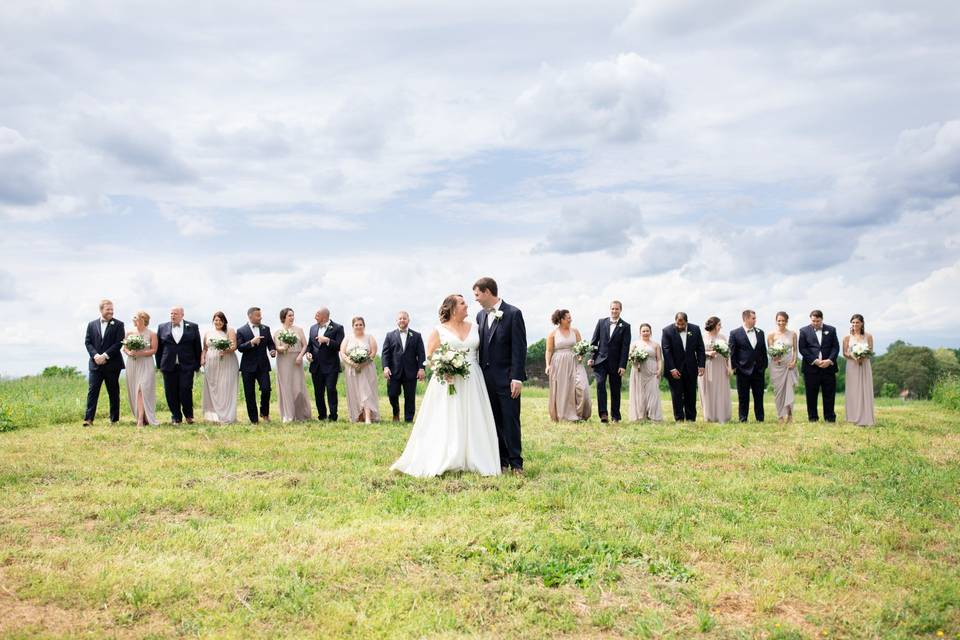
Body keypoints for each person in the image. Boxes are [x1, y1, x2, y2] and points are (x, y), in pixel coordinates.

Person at [391, 294, 501, 477]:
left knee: (473, 416)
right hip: (447, 380)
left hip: (472, 378)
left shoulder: (476, 327)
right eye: (463, 303)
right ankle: (448, 455)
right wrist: (443, 368)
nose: (467, 306)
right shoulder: (438, 330)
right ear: (452, 308)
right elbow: (430, 358)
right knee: (448, 416)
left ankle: (475, 456)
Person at [474, 277, 527, 474]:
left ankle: (516, 463)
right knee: (494, 420)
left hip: (507, 378)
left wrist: (517, 377)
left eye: (477, 295)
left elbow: (519, 348)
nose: (476, 299)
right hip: (485, 379)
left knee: (510, 420)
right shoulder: (480, 316)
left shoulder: (513, 313)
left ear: (488, 292)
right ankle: (501, 461)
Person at [155, 306, 203, 425]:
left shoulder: (193, 327)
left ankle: (189, 415)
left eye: (175, 313)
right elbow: (159, 349)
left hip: (187, 365)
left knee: (186, 389)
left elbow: (197, 346)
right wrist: (159, 365)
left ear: (182, 315)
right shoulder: (162, 327)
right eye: (171, 313)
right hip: (168, 365)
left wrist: (197, 365)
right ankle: (176, 416)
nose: (173, 315)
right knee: (170, 392)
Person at [83, 299, 125, 426]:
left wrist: (105, 356)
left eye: (112, 309)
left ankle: (114, 419)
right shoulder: (91, 324)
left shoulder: (119, 324)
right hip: (95, 364)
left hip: (112, 364)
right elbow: (88, 342)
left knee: (113, 392)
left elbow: (119, 343)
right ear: (101, 310)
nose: (111, 311)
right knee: (92, 391)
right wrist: (96, 355)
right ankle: (89, 419)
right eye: (108, 309)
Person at [588, 301, 631, 423]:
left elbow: (625, 347)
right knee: (600, 384)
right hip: (600, 361)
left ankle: (615, 416)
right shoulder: (602, 322)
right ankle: (603, 414)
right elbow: (594, 342)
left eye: (617, 309)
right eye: (612, 309)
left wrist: (623, 365)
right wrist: (592, 357)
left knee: (615, 389)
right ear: (610, 309)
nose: (614, 311)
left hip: (616, 363)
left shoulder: (626, 326)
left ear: (620, 310)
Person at [545, 309, 591, 422]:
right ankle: (565, 416)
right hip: (559, 363)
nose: (571, 319)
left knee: (582, 387)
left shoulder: (575, 331)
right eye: (568, 318)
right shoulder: (553, 334)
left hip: (575, 362)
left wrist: (581, 355)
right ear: (561, 320)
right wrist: (547, 365)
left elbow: (581, 346)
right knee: (563, 390)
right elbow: (549, 351)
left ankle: (580, 414)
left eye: (570, 317)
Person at [661, 312, 706, 422]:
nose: (680, 327)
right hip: (674, 369)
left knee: (690, 394)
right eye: (678, 324)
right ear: (675, 321)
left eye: (682, 324)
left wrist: (701, 365)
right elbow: (666, 351)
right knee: (676, 395)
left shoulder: (695, 329)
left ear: (686, 322)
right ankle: (679, 418)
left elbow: (700, 348)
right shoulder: (667, 331)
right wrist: (672, 368)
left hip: (691, 367)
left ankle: (691, 418)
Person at [382, 311, 426, 422]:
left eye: (404, 318)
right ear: (396, 321)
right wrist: (385, 367)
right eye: (400, 318)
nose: (402, 320)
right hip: (394, 371)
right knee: (392, 394)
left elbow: (421, 354)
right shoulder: (390, 335)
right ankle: (396, 413)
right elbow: (385, 354)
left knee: (410, 397)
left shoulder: (416, 335)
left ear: (408, 320)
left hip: (411, 371)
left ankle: (408, 418)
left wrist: (421, 368)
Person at [236, 307, 277, 424]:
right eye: (258, 315)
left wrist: (272, 351)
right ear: (250, 316)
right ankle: (254, 419)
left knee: (266, 389)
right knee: (249, 394)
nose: (260, 317)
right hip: (247, 367)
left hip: (263, 366)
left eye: (260, 315)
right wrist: (251, 343)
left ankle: (264, 413)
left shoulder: (265, 328)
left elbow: (270, 343)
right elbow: (240, 348)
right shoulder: (241, 330)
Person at [797, 309, 840, 423]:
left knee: (829, 394)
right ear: (811, 319)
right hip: (811, 368)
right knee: (811, 395)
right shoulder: (804, 331)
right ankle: (813, 418)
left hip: (828, 368)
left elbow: (835, 347)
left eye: (817, 321)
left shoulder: (831, 330)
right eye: (813, 321)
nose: (815, 323)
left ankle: (830, 418)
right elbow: (802, 348)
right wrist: (814, 360)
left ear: (822, 319)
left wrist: (830, 360)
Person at [728, 309, 768, 423]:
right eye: (753, 318)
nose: (755, 320)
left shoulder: (761, 332)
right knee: (743, 397)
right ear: (746, 319)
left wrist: (764, 366)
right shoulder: (734, 333)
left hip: (758, 370)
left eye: (755, 318)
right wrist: (735, 368)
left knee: (759, 396)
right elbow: (732, 352)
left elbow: (763, 351)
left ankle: (760, 419)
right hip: (742, 370)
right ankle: (743, 418)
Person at [305, 308, 344, 422]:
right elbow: (310, 345)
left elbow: (339, 346)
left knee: (331, 390)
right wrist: (308, 354)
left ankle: (333, 416)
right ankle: (322, 416)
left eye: (317, 314)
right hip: (316, 366)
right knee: (318, 392)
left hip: (331, 365)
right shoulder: (312, 328)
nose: (315, 316)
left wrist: (327, 340)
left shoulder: (338, 328)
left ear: (324, 316)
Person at [200, 311, 239, 423]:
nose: (218, 322)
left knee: (225, 387)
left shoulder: (229, 331)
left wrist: (225, 350)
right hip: (211, 364)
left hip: (227, 362)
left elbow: (233, 346)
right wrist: (202, 358)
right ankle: (214, 416)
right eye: (216, 320)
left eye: (220, 320)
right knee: (214, 389)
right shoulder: (208, 333)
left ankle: (227, 416)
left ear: (224, 321)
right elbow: (205, 349)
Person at [275, 307, 312, 422]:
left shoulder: (299, 330)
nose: (292, 317)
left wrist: (300, 356)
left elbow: (305, 345)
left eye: (292, 315)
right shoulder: (278, 332)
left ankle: (301, 414)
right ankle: (288, 414)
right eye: (289, 315)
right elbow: (277, 347)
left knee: (298, 387)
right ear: (284, 317)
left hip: (297, 360)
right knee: (286, 386)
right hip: (283, 360)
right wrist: (283, 347)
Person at [340, 316, 380, 423]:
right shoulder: (348, 338)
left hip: (366, 369)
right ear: (353, 326)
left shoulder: (369, 337)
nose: (358, 327)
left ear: (364, 326)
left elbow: (373, 352)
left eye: (360, 324)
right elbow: (342, 353)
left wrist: (363, 364)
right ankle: (357, 415)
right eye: (356, 325)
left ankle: (367, 417)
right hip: (351, 370)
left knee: (366, 392)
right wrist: (352, 363)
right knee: (354, 392)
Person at [122, 310, 158, 427]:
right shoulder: (129, 333)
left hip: (146, 364)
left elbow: (154, 350)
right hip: (133, 364)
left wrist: (142, 353)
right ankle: (141, 416)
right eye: (134, 318)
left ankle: (141, 420)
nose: (134, 320)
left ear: (143, 320)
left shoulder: (152, 334)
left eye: (136, 318)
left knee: (141, 389)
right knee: (135, 390)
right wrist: (130, 353)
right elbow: (125, 348)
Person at [843, 314, 876, 427]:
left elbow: (870, 351)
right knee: (853, 390)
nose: (855, 325)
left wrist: (863, 357)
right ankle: (853, 417)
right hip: (852, 365)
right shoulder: (847, 338)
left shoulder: (869, 336)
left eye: (857, 322)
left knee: (865, 389)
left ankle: (866, 417)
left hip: (865, 365)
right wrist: (854, 357)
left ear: (862, 323)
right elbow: (845, 353)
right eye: (853, 323)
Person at [699, 316, 733, 423]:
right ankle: (709, 416)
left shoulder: (723, 337)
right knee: (708, 390)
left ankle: (721, 415)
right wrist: (708, 353)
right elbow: (697, 352)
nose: (720, 327)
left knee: (720, 389)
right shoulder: (702, 337)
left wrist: (729, 367)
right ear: (713, 325)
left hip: (720, 365)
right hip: (707, 365)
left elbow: (727, 353)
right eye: (719, 325)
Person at [767, 311, 799, 423]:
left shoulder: (793, 334)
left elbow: (795, 350)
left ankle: (790, 415)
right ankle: (780, 415)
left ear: (787, 321)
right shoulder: (771, 335)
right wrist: (774, 357)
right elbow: (770, 351)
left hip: (789, 365)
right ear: (776, 321)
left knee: (790, 389)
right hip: (776, 365)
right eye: (779, 320)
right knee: (778, 391)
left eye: (783, 320)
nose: (781, 322)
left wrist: (794, 361)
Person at [628, 323, 663, 421]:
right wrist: (636, 360)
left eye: (647, 331)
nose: (645, 333)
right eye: (643, 331)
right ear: (640, 332)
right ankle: (641, 415)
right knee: (640, 393)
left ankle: (653, 415)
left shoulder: (656, 345)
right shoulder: (635, 344)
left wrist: (659, 370)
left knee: (653, 393)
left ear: (650, 332)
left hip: (652, 371)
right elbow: (630, 357)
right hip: (638, 371)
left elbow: (659, 359)